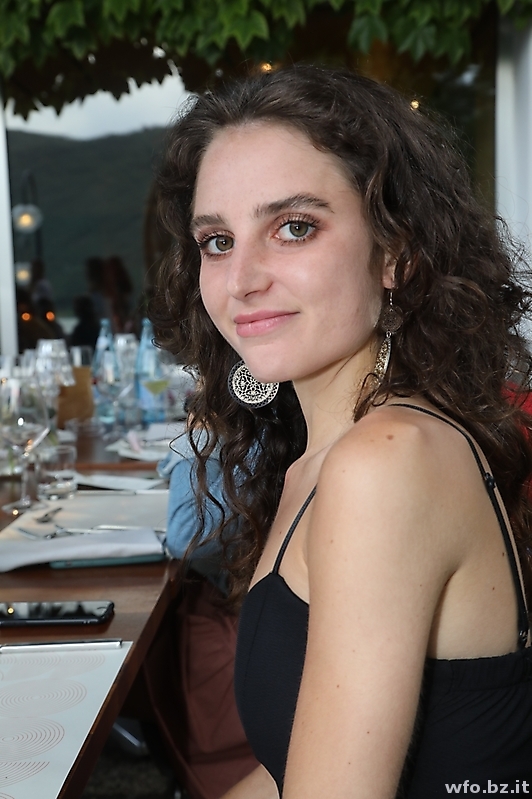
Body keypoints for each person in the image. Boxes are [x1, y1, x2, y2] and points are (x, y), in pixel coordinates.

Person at [150, 65, 532, 799]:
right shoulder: (319, 456)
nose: (242, 279)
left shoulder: (386, 461)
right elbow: (288, 769)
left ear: (395, 253)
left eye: (294, 227)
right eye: (218, 240)